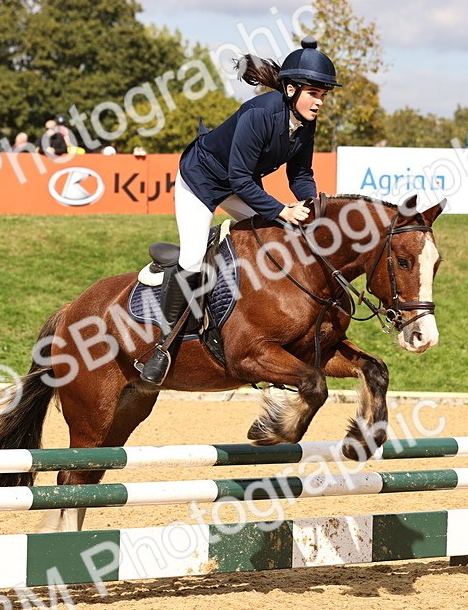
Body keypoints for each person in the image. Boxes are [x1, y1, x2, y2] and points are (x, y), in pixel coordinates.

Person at [139, 36, 336, 385]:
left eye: (323, 95)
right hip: (201, 181)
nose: (319, 102)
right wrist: (281, 210)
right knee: (193, 258)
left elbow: (301, 174)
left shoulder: (305, 123)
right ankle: (163, 347)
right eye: (314, 94)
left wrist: (311, 203)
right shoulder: (260, 114)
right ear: (290, 89)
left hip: (237, 183)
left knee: (277, 238)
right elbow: (241, 179)